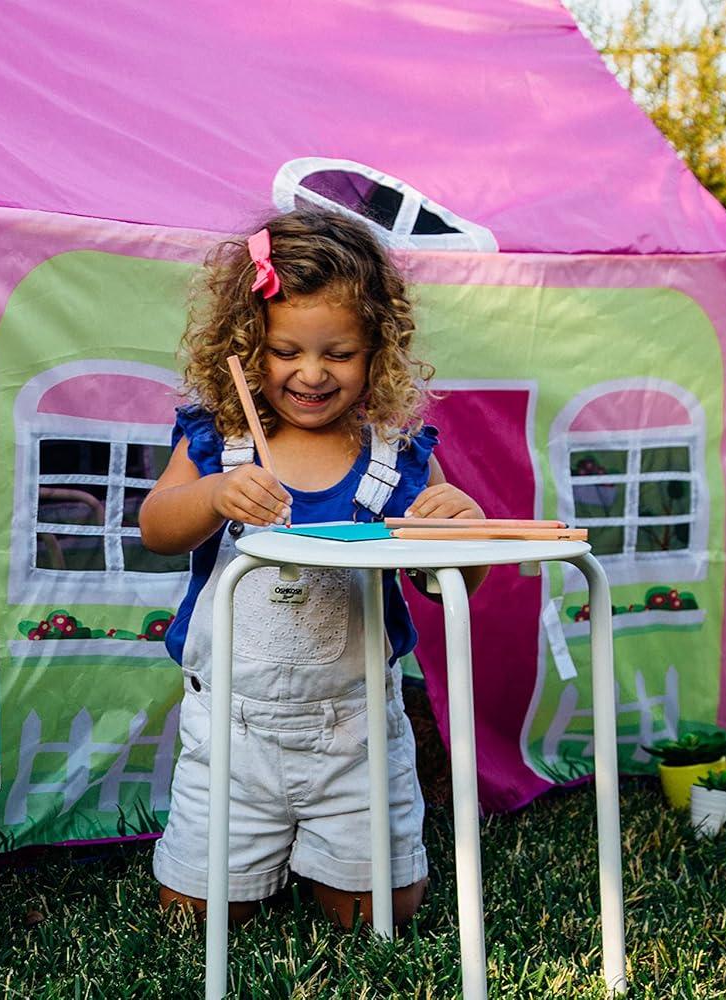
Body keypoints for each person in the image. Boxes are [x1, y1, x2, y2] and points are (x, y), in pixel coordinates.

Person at [139, 209, 487, 929]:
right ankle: (252, 854)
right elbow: (156, 529)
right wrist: (209, 495)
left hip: (356, 736)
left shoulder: (396, 454)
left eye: (340, 353)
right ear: (246, 346)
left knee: (379, 916)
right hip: (234, 732)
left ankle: (334, 853)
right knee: (191, 919)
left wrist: (461, 533)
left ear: (377, 353)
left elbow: (444, 585)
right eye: (285, 350)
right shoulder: (222, 441)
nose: (311, 373)